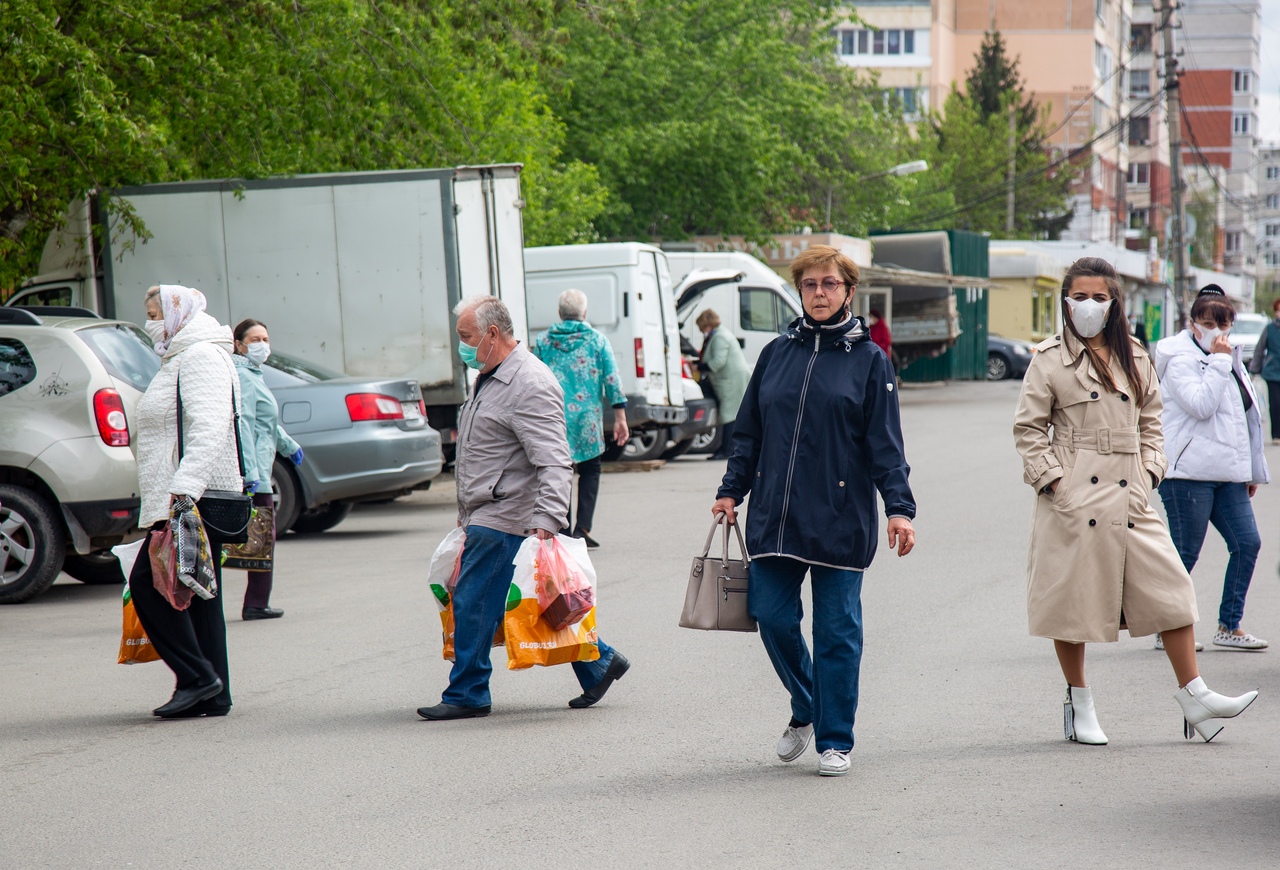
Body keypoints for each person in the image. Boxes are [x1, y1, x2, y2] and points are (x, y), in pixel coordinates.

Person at [1013, 258, 1258, 746]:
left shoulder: (1136, 356)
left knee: (1171, 588)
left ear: (1113, 303)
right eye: (1079, 296)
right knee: (1073, 601)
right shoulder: (1048, 358)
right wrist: (1055, 484)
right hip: (1074, 491)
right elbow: (1028, 430)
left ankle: (1195, 694)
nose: (1088, 306)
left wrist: (1149, 472)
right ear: (1065, 301)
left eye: (1098, 297)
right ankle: (1080, 703)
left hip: (1130, 490)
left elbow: (1152, 421)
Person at [711, 245, 917, 777]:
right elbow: (748, 432)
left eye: (829, 284)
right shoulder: (776, 353)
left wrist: (899, 508)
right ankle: (807, 704)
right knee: (772, 616)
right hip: (775, 516)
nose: (819, 293)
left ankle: (834, 737)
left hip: (841, 518)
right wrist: (731, 489)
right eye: (809, 285)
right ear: (799, 291)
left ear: (849, 291)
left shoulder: (871, 362)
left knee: (837, 633)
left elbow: (886, 446)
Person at [418, 296, 630, 720]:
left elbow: (554, 458)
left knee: (475, 603)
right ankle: (599, 661)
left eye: (466, 337)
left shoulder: (530, 382)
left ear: (492, 334)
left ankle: (467, 693)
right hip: (489, 511)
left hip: (509, 515)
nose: (462, 346)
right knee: (527, 603)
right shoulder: (490, 374)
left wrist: (548, 520)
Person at [129, 284, 242, 718]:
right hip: (178, 493)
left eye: (157, 312)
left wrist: (185, 487)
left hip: (189, 497)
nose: (151, 321)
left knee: (149, 581)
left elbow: (211, 426)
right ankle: (214, 693)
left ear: (180, 313)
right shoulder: (178, 356)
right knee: (198, 590)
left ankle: (197, 677)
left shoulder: (199, 357)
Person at [1154, 286, 1270, 652]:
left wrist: (1249, 470)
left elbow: (1246, 418)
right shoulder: (1178, 358)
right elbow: (1201, 406)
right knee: (1186, 553)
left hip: (1227, 474)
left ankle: (1229, 625)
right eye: (1207, 323)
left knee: (1247, 543)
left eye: (1224, 324)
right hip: (1187, 474)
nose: (1216, 331)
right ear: (1192, 323)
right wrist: (1220, 361)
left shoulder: (1229, 357)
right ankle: (1165, 626)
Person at [531, 289, 629, 547]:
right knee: (590, 470)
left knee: (556, 471)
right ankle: (582, 529)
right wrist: (620, 416)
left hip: (553, 417)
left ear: (560, 313)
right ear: (584, 313)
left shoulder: (543, 341)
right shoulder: (598, 340)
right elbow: (612, 378)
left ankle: (561, 528)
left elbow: (532, 378)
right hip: (587, 419)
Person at [232, 319, 305, 620]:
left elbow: (267, 422)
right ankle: (256, 604)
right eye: (255, 339)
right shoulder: (244, 376)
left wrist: (288, 446)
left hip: (261, 468)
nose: (262, 344)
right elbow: (244, 425)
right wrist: (251, 473)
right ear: (239, 344)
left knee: (258, 538)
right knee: (262, 538)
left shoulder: (252, 373)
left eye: (265, 338)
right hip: (257, 474)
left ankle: (256, 601)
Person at [694, 309, 751, 461]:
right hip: (729, 379)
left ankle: (727, 450)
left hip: (731, 380)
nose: (702, 332)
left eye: (702, 328)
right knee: (729, 415)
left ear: (707, 325)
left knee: (729, 414)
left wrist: (699, 368)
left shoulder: (720, 337)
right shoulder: (719, 335)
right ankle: (725, 448)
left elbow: (719, 362)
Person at [1246, 296, 1280, 443]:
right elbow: (1260, 350)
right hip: (1272, 372)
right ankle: (1276, 435)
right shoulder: (1269, 329)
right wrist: (1254, 370)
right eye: (1278, 310)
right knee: (1275, 403)